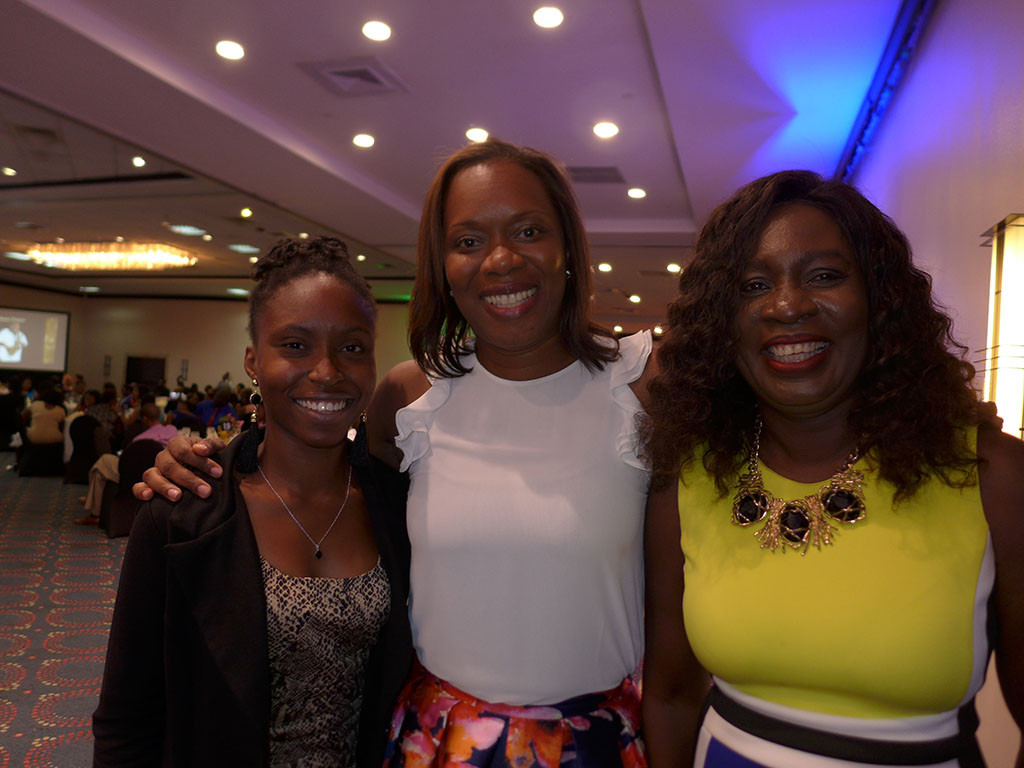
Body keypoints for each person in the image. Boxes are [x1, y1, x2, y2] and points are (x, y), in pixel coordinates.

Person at [136, 139, 652, 767]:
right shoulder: (412, 398)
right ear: (441, 266)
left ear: (567, 244)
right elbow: (313, 460)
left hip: (592, 740)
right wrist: (212, 456)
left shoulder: (644, 383)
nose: (500, 259)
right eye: (466, 241)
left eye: (529, 230)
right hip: (437, 741)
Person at [640, 170, 1024, 767]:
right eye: (752, 284)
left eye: (824, 276)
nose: (787, 304)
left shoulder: (992, 475)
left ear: (880, 299)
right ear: (722, 322)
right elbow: (668, 697)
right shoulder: (688, 476)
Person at [93, 237, 412, 767]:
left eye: (352, 347)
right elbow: (129, 714)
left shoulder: (397, 504)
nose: (328, 370)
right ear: (253, 361)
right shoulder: (184, 511)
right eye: (295, 345)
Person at [75, 402, 177, 526]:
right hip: (164, 473)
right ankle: (92, 501)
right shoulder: (172, 430)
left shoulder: (139, 440)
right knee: (103, 464)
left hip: (135, 476)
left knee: (102, 463)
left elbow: (127, 461)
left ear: (144, 419)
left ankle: (94, 512)